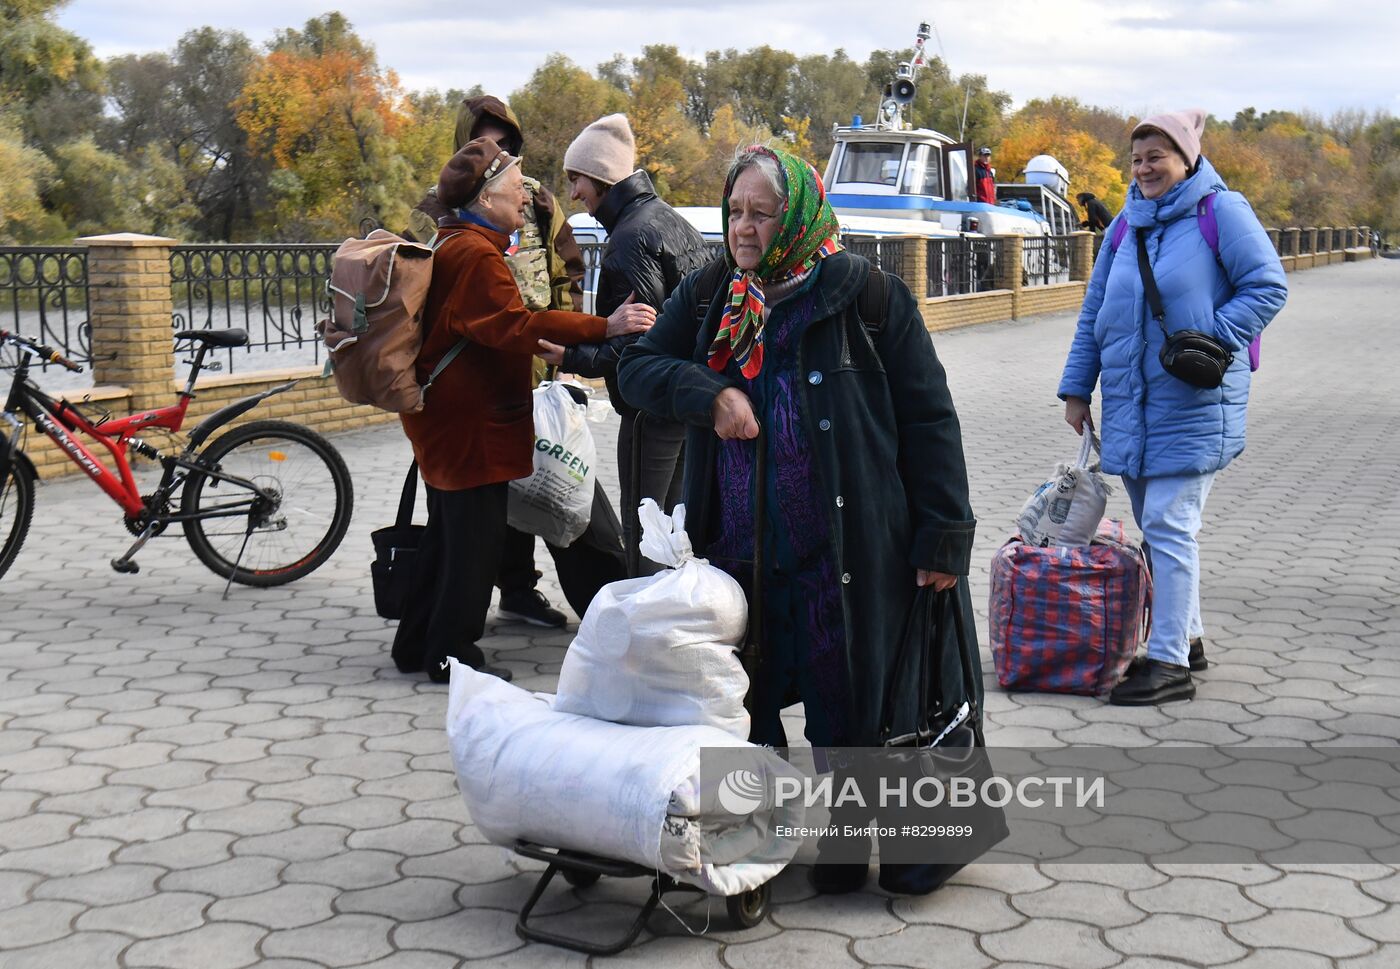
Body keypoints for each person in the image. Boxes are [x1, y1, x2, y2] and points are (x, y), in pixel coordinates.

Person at [617, 146, 979, 895]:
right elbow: (636, 368)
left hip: (845, 547)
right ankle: (758, 842)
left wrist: (944, 533)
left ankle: (848, 855)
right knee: (744, 699)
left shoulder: (870, 296)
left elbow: (930, 420)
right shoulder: (715, 291)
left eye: (762, 212)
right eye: (735, 212)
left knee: (846, 700)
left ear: (800, 216)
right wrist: (706, 394)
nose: (744, 228)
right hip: (739, 552)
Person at [392, 138, 655, 684]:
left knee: (446, 537)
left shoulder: (457, 242)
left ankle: (416, 640)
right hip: (472, 430)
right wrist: (604, 326)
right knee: (472, 546)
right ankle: (451, 653)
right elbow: (518, 326)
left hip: (450, 423)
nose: (525, 197)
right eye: (515, 188)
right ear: (486, 198)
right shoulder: (475, 255)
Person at [1059, 109, 1287, 705]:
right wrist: (1077, 387)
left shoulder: (1222, 212)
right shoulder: (1124, 227)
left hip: (1193, 399)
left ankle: (1166, 666)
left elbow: (1268, 285)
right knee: (1159, 528)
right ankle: (1187, 638)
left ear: (1186, 158)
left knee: (1169, 523)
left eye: (1156, 156)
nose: (1144, 168)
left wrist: (1215, 335)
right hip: (1131, 403)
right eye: (1136, 159)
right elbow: (1095, 310)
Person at [406, 94, 618, 629]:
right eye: (484, 141)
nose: (495, 151)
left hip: (531, 371)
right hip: (469, 384)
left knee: (545, 492)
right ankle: (453, 627)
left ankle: (487, 609)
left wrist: (567, 356)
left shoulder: (537, 202)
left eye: (504, 143)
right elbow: (421, 286)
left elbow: (566, 270)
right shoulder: (446, 215)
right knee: (467, 517)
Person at [538, 114, 711, 560]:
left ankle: (643, 622)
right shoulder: (672, 221)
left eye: (577, 179)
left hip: (651, 406)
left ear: (600, 177)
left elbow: (639, 341)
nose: (574, 193)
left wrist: (571, 356)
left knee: (644, 530)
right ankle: (678, 616)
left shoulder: (628, 240)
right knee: (678, 525)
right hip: (689, 397)